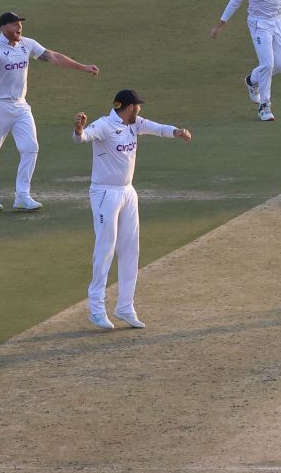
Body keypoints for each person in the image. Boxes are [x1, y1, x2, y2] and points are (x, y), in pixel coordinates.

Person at [72, 89, 192, 331]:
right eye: (137, 106)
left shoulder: (135, 124)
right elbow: (83, 139)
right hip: (105, 193)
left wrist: (177, 132)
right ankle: (96, 309)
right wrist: (79, 129)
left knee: (130, 249)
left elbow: (158, 128)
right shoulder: (104, 125)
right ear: (127, 107)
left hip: (128, 192)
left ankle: (125, 306)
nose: (140, 109)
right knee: (105, 248)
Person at [0, 12, 100, 212]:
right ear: (3, 27)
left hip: (21, 106)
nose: (19, 28)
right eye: (15, 24)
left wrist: (82, 67)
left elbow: (53, 56)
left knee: (31, 148)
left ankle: (22, 195)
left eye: (20, 24)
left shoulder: (27, 44)